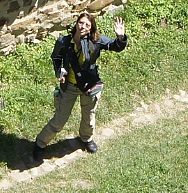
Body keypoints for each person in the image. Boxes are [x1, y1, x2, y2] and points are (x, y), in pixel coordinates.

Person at [31, 11, 127, 165]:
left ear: (91, 28)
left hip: (89, 86)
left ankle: (86, 139)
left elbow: (115, 46)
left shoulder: (96, 40)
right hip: (69, 86)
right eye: (81, 23)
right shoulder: (64, 41)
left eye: (87, 25)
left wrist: (121, 37)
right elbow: (56, 58)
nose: (83, 26)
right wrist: (59, 71)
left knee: (89, 117)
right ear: (76, 23)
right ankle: (40, 144)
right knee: (59, 120)